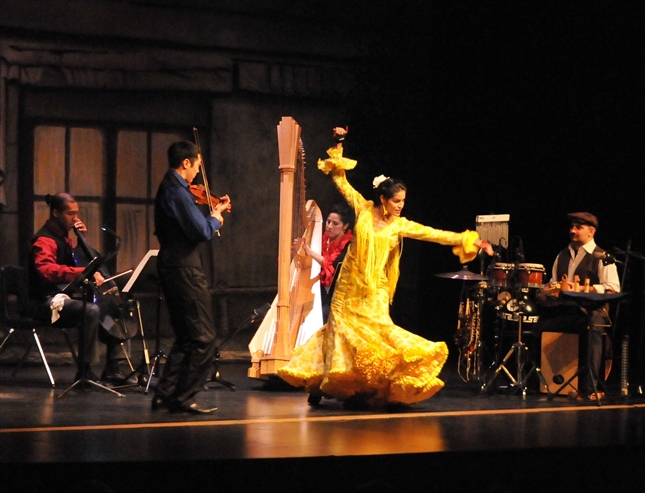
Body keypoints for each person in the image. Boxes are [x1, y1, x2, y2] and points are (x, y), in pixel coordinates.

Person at [277, 127, 494, 408]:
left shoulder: (399, 225)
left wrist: (470, 240)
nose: (400, 206)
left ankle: (367, 388)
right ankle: (324, 383)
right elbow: (340, 180)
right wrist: (339, 142)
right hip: (349, 288)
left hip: (375, 290)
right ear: (383, 199)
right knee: (339, 335)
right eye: (396, 201)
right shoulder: (363, 209)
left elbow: (433, 234)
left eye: (403, 201)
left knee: (376, 337)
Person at [151, 140, 231, 414]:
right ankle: (184, 397)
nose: (198, 171)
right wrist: (215, 218)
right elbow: (200, 231)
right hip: (183, 268)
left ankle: (165, 394)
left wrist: (211, 215)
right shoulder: (177, 192)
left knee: (187, 337)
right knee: (204, 337)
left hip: (174, 265)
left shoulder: (172, 188)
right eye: (197, 165)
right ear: (186, 162)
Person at [28, 193, 128, 383]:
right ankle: (84, 371)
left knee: (112, 306)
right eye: (70, 213)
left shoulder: (65, 238)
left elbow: (76, 261)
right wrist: (83, 272)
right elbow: (46, 270)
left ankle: (113, 367)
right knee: (90, 310)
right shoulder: (44, 240)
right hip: (43, 301)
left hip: (61, 297)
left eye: (76, 213)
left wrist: (82, 240)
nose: (75, 218)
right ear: (56, 213)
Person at [535, 212, 620, 400]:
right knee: (539, 327)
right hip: (566, 310)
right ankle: (543, 382)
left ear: (591, 231)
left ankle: (590, 388)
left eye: (578, 227)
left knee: (592, 327)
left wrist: (581, 288)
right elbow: (555, 282)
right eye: (572, 227)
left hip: (592, 311)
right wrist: (549, 289)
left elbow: (613, 288)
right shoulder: (562, 255)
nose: (573, 231)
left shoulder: (602, 256)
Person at [296, 204, 353, 322]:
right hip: (324, 288)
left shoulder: (348, 245)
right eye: (328, 221)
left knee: (317, 314)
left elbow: (331, 266)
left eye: (335, 223)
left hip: (338, 295)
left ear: (345, 226)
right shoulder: (325, 238)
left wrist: (310, 252)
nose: (329, 226)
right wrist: (298, 250)